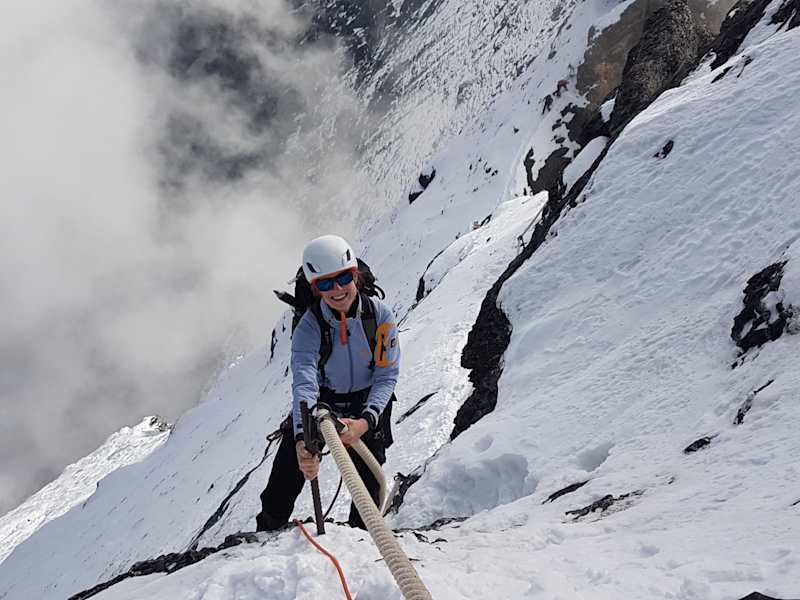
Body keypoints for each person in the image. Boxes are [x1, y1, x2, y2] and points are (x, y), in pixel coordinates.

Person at [256, 235, 400, 531]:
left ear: (355, 276)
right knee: (284, 480)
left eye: (343, 278)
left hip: (364, 407)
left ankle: (362, 542)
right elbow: (305, 386)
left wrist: (365, 421)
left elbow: (386, 376)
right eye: (325, 283)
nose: (336, 289)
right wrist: (302, 440)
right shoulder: (309, 328)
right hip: (323, 405)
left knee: (369, 490)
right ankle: (265, 534)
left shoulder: (380, 317)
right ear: (314, 287)